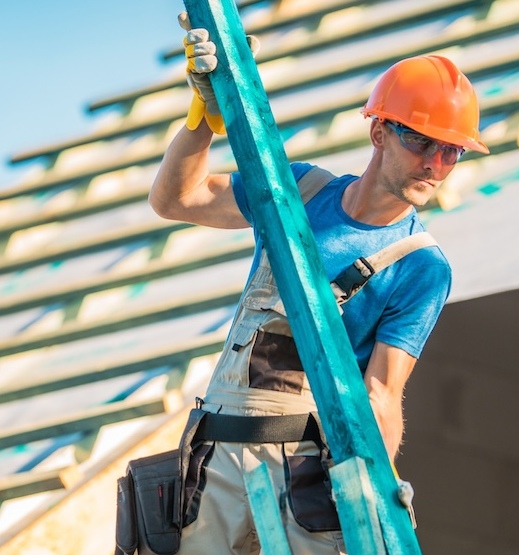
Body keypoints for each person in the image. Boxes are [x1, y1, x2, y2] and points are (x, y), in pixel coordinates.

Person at [148, 14, 489, 555]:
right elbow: (174, 201)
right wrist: (202, 121)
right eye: (424, 143)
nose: (437, 164)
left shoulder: (421, 267)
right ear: (380, 132)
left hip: (302, 480)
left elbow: (381, 392)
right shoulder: (300, 192)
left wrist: (378, 490)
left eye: (453, 151)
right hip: (216, 459)